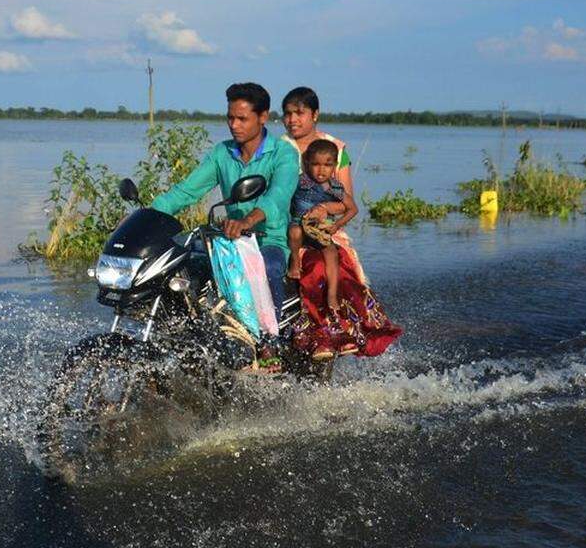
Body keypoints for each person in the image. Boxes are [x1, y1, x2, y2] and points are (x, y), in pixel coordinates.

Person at [150, 82, 298, 328]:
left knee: (268, 267)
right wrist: (147, 216)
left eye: (242, 119)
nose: (234, 125)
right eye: (230, 118)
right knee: (178, 264)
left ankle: (271, 339)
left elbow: (278, 196)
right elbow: (186, 191)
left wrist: (247, 221)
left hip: (268, 239)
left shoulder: (283, 153)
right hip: (229, 241)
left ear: (262, 117)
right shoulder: (222, 153)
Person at [279, 86, 402, 362]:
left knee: (333, 268)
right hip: (288, 227)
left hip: (323, 229)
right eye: (287, 114)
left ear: (315, 114)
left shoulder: (336, 149)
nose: (293, 120)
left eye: (299, 113)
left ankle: (335, 330)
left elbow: (345, 200)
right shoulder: (279, 148)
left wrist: (324, 211)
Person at [288, 139, 358, 314]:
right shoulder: (300, 181)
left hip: (321, 230)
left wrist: (337, 225)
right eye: (316, 164)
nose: (321, 170)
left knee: (332, 254)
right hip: (299, 223)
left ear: (334, 166)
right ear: (307, 163)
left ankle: (332, 295)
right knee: (294, 232)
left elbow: (353, 209)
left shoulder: (334, 187)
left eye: (327, 165)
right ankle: (295, 262)